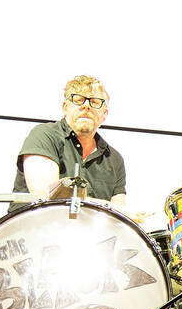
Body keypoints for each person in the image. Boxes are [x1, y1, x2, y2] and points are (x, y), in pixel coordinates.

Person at [11, 75, 126, 210]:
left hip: (90, 230)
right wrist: (107, 206)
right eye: (78, 100)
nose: (86, 106)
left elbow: (119, 213)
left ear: (105, 113)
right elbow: (48, 198)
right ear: (65, 107)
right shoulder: (44, 135)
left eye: (95, 102)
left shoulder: (114, 159)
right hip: (34, 227)